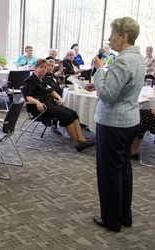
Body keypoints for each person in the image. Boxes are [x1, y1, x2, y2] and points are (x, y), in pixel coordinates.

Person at [91, 17, 145, 232]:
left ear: (124, 36)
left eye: (112, 34)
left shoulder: (123, 61)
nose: (109, 38)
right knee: (122, 169)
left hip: (113, 122)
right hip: (129, 120)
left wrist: (100, 70)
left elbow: (106, 94)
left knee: (109, 172)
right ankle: (124, 216)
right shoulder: (137, 57)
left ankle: (111, 219)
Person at [23, 58, 95, 152]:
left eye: (45, 67)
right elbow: (28, 96)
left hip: (51, 104)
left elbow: (51, 91)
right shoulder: (30, 80)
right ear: (35, 68)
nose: (44, 69)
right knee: (66, 115)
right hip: (40, 108)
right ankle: (77, 143)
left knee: (73, 113)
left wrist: (59, 98)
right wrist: (37, 102)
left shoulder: (44, 79)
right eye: (41, 67)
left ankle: (82, 140)